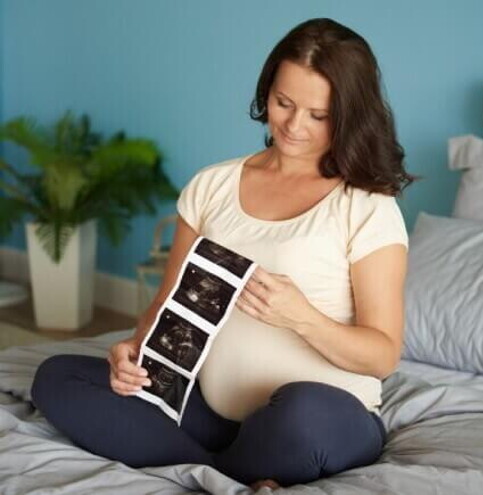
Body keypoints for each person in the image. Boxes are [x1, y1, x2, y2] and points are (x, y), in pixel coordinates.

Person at [31, 17, 414, 490]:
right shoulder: (212, 186)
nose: (294, 126)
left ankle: (218, 466)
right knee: (58, 378)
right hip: (205, 409)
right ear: (266, 92)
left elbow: (382, 354)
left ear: (350, 114)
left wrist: (302, 318)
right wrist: (134, 352)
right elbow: (166, 303)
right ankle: (230, 472)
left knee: (302, 418)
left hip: (322, 417)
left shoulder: (366, 205)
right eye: (283, 103)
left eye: (319, 115)